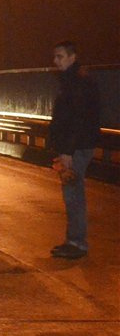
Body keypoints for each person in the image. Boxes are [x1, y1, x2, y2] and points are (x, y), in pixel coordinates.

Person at [47, 40, 101, 259]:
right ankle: (74, 240)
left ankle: (77, 243)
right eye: (55, 57)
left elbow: (78, 118)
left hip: (76, 148)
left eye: (60, 56)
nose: (56, 61)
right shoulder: (72, 80)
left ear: (72, 57)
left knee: (73, 194)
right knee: (72, 193)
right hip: (73, 146)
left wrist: (67, 150)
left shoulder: (78, 82)